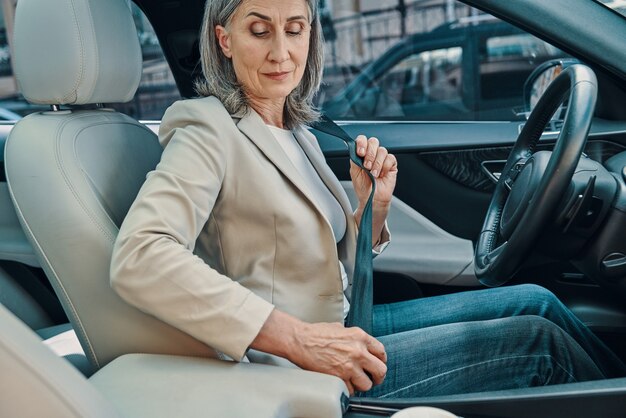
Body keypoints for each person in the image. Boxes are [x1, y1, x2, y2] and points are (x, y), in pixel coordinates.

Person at [110, 0, 626, 398]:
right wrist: (297, 340)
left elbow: (321, 262)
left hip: (344, 320)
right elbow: (141, 255)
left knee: (538, 301)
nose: (280, 52)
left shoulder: (296, 131)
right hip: (294, 368)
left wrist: (371, 209)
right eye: (258, 30)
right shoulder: (207, 130)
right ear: (224, 39)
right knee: (539, 342)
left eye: (295, 29)